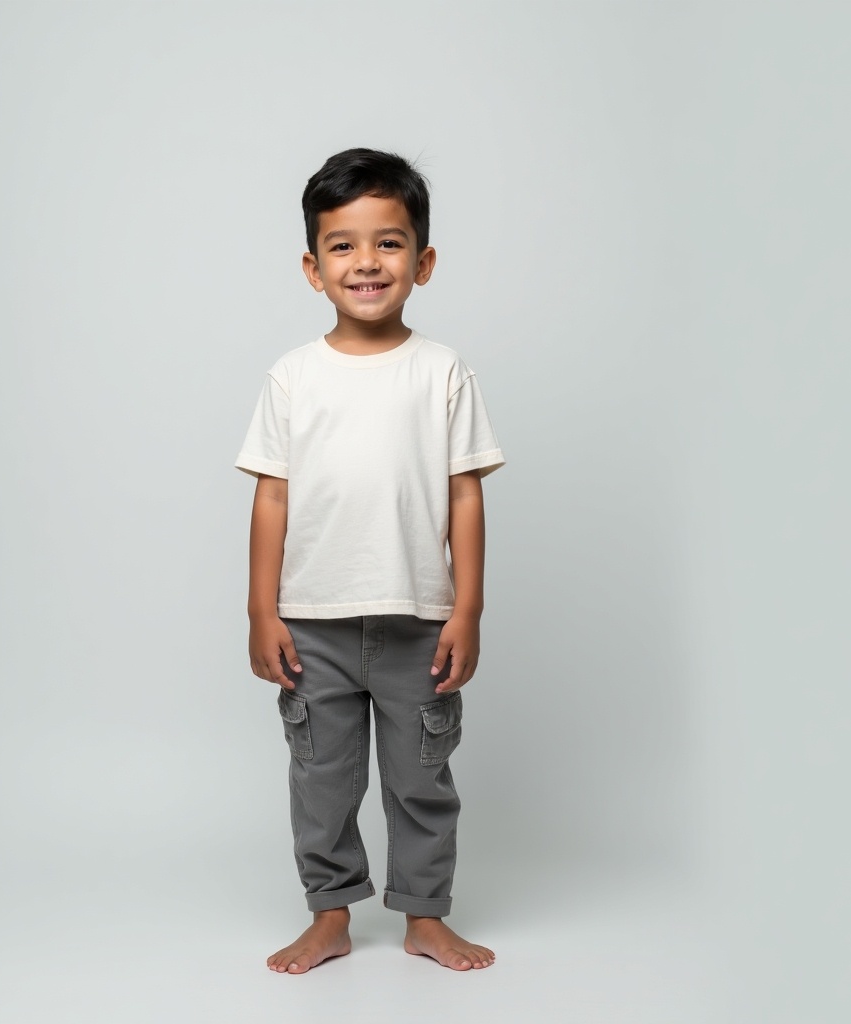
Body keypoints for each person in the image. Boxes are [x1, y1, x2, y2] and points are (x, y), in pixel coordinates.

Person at [236, 148, 504, 974]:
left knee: (422, 779)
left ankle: (425, 915)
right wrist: (260, 609)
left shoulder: (442, 371)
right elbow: (272, 497)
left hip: (417, 620)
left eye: (388, 243)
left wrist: (467, 609)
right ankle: (330, 914)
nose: (367, 263)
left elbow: (465, 495)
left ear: (422, 262)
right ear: (314, 269)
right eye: (343, 246)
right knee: (321, 781)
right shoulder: (292, 377)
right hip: (312, 621)